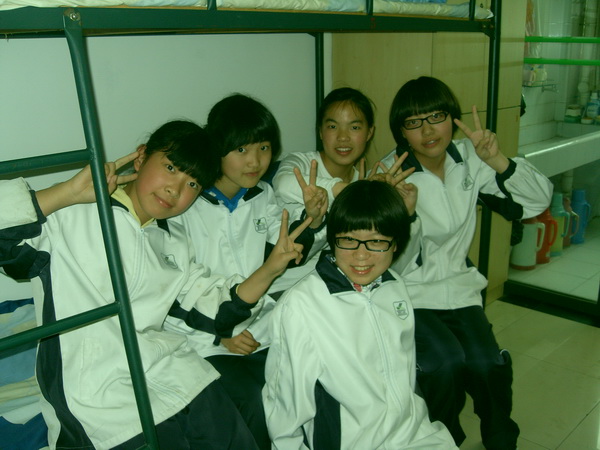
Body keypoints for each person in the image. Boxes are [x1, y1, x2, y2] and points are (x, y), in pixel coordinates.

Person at [0, 120, 311, 449]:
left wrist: (271, 268)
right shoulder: (72, 215)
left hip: (178, 377)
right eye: (171, 167)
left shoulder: (174, 240)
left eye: (192, 183)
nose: (175, 189)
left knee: (237, 435)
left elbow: (216, 307)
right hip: (103, 399)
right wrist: (67, 193)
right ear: (141, 158)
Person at [380, 76, 553, 449]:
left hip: (460, 288)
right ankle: (443, 440)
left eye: (436, 116)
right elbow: (391, 263)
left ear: (452, 118)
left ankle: (500, 438)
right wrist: (404, 215)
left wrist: (498, 161)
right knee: (444, 365)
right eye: (414, 122)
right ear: (401, 132)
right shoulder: (391, 175)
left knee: (487, 364)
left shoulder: (471, 158)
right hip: (410, 294)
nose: (428, 130)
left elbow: (537, 202)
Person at [165, 94, 327, 449]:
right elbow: (178, 289)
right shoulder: (187, 205)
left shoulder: (262, 195)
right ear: (217, 148)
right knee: (255, 403)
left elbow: (282, 253)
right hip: (205, 339)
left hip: (259, 328)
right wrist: (220, 333)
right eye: (241, 149)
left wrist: (312, 221)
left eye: (264, 148)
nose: (255, 161)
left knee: (309, 383)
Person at [262, 180, 456, 449]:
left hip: (414, 432)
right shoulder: (302, 306)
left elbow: (404, 377)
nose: (361, 256)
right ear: (333, 239)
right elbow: (285, 407)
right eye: (348, 240)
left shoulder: (394, 286)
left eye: (376, 241)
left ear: (395, 244)